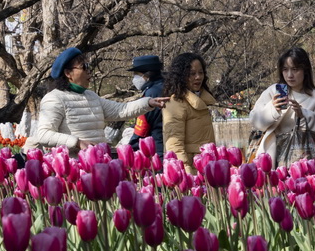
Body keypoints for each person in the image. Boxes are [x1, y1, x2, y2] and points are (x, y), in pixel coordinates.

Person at [24, 47, 166, 153]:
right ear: (68, 73)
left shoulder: (91, 96)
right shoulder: (54, 98)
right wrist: (77, 142)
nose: (89, 71)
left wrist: (148, 103)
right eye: (84, 67)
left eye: (89, 66)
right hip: (73, 166)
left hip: (98, 161)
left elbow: (121, 110)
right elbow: (43, 134)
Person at [248, 47, 315, 165]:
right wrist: (272, 109)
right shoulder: (273, 92)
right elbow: (254, 121)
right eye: (285, 69)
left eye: (295, 69)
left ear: (305, 70)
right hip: (275, 157)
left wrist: (303, 114)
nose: (290, 75)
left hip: (306, 159)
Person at [162, 52, 217, 173]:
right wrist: (186, 174)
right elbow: (174, 145)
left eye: (201, 72)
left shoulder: (202, 99)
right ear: (181, 76)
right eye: (192, 74)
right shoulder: (176, 103)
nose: (198, 77)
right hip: (192, 169)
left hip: (207, 164)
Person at [127, 54, 166, 155]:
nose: (134, 78)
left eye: (136, 74)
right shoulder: (169, 86)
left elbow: (142, 128)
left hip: (158, 149)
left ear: (147, 75)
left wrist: (130, 149)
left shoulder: (151, 94)